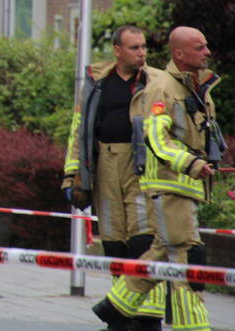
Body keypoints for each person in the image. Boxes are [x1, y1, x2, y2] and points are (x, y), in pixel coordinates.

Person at [93, 26, 223, 331]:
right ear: (179, 53)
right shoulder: (162, 88)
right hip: (169, 184)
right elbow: (156, 138)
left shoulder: (193, 86)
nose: (207, 52)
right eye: (200, 47)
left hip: (185, 183)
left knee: (163, 250)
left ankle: (116, 306)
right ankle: (193, 326)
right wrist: (190, 163)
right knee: (187, 254)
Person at [61, 25, 165, 329]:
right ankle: (120, 314)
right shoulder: (97, 84)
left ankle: (147, 318)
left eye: (144, 47)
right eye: (134, 47)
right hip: (105, 164)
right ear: (118, 50)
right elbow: (79, 130)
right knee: (113, 240)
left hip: (141, 165)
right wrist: (73, 175)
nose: (142, 53)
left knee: (142, 238)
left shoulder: (156, 81)